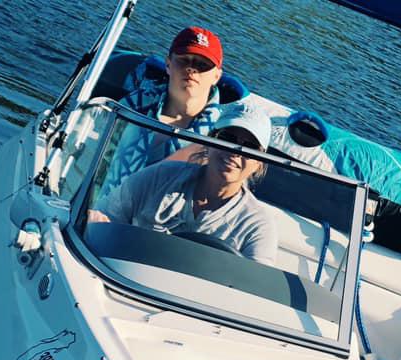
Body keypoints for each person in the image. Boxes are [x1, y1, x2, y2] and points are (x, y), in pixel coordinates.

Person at [87, 102, 279, 266]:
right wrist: (97, 221)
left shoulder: (258, 227)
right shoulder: (160, 176)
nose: (235, 152)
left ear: (259, 163)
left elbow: (253, 287)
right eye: (228, 138)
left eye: (250, 147)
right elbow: (106, 215)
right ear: (210, 141)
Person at [103, 26, 232, 190]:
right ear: (168, 64)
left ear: (216, 76)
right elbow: (99, 153)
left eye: (202, 64)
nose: (191, 69)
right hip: (108, 200)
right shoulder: (136, 104)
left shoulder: (222, 133)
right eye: (184, 60)